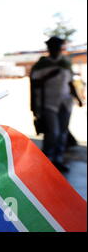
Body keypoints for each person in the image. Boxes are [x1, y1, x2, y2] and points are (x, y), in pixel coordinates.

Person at [30, 37, 84, 172]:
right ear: (49, 48)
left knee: (63, 133)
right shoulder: (42, 64)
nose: (57, 49)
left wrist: (78, 98)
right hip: (48, 102)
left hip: (65, 102)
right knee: (52, 132)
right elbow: (34, 83)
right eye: (54, 46)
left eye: (59, 46)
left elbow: (70, 82)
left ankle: (58, 159)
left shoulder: (65, 63)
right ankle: (47, 159)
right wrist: (49, 76)